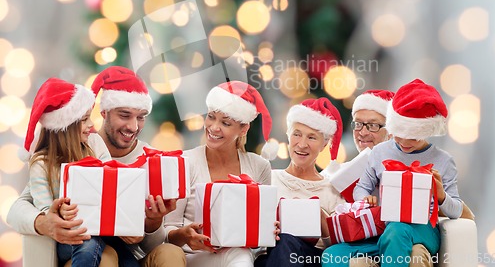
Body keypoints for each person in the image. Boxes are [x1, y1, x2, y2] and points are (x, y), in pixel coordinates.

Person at [8, 66, 186, 267]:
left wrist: (149, 224)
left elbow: (149, 243)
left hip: (121, 246)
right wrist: (47, 221)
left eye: (141, 117)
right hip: (82, 244)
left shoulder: (151, 161)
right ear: (104, 112)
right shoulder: (55, 158)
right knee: (103, 255)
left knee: (158, 254)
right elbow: (17, 208)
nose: (133, 127)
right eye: (125, 115)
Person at [322, 79, 463, 267]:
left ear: (427, 131)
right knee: (332, 255)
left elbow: (457, 211)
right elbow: (360, 189)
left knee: (397, 230)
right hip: (382, 230)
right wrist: (365, 199)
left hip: (423, 231)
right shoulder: (380, 152)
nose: (404, 142)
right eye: (398, 133)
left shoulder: (444, 160)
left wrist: (441, 196)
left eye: (412, 136)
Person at [23, 77, 138, 267]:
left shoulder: (94, 143)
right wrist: (60, 211)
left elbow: (112, 182)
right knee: (87, 244)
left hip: (104, 229)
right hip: (70, 236)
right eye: (84, 120)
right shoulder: (41, 164)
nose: (91, 125)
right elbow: (45, 211)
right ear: (65, 127)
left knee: (128, 262)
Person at [164, 80, 276, 267]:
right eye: (211, 117)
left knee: (239, 254)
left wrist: (267, 230)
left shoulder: (259, 166)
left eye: (225, 123)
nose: (214, 127)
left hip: (240, 256)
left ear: (243, 129)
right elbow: (168, 230)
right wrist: (185, 235)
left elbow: (260, 243)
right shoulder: (185, 162)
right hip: (191, 257)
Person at [254, 97, 346, 267]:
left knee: (286, 241)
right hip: (270, 257)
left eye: (312, 138)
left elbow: (339, 252)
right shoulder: (268, 179)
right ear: (289, 137)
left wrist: (320, 217)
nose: (302, 144)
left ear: (324, 144)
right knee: (280, 245)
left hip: (311, 260)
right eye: (297, 134)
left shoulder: (332, 190)